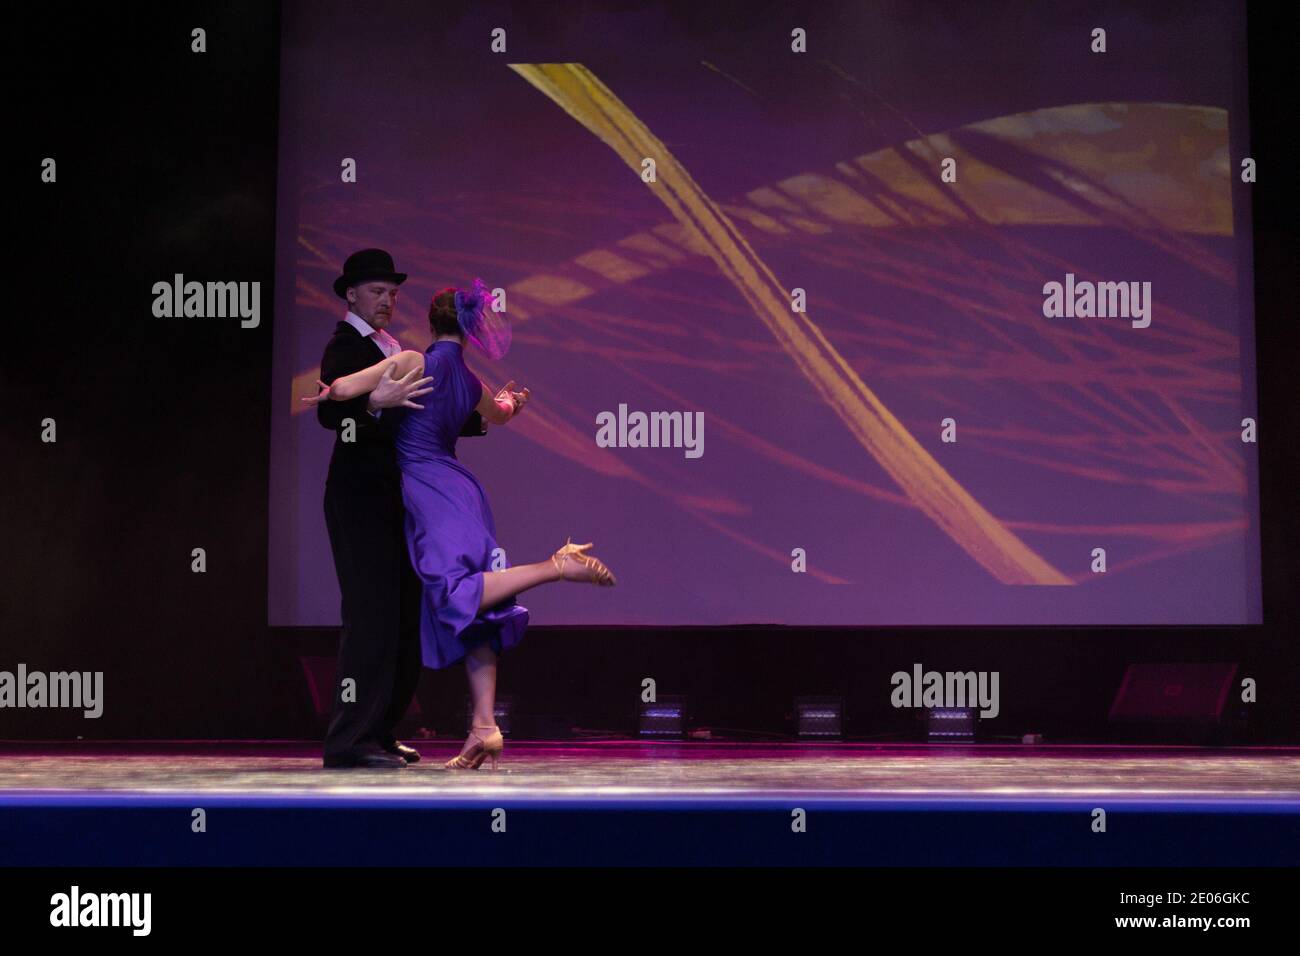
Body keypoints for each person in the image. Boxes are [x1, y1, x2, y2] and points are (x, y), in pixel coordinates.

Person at [306, 279, 616, 770]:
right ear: (470, 330)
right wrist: (512, 403)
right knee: (480, 608)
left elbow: (344, 388)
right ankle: (484, 727)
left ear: (431, 323)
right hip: (463, 490)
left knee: (456, 593)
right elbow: (502, 414)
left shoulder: (413, 361)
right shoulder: (472, 382)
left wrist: (335, 392)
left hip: (426, 491)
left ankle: (554, 566)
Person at [314, 249, 489, 769]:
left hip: (402, 499)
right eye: (377, 292)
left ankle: (381, 731)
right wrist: (372, 404)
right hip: (360, 497)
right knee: (370, 617)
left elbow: (423, 412)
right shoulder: (345, 346)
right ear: (351, 295)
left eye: (392, 293)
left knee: (404, 617)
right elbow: (332, 419)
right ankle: (349, 741)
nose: (387, 301)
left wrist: (479, 418)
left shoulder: (393, 347)